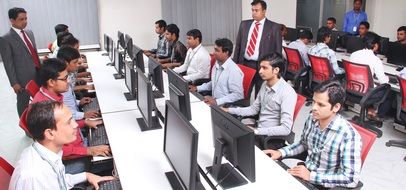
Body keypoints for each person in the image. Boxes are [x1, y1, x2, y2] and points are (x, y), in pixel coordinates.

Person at [264, 80, 362, 189]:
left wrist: (311, 176)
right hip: (305, 173)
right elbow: (303, 144)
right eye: (314, 102)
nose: (314, 108)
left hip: (324, 185)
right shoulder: (312, 118)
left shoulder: (348, 135)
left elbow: (351, 179)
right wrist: (280, 152)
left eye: (320, 104)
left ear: (336, 107)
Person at [9, 101, 114, 190]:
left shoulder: (46, 152)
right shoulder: (34, 177)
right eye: (69, 122)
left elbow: (59, 180)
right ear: (50, 133)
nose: (76, 125)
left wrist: (87, 175)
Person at [32, 59, 110, 161]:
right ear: (51, 82)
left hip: (80, 143)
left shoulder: (53, 96)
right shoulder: (46, 108)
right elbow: (57, 151)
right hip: (74, 158)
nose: (68, 81)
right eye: (64, 79)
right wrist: (89, 150)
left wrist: (85, 122)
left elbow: (64, 124)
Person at [222, 53, 296, 149]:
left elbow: (286, 129)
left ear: (276, 70)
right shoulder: (265, 84)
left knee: (235, 147)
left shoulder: (287, 92)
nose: (260, 71)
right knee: (227, 137)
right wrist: (229, 110)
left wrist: (257, 131)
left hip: (271, 140)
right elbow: (253, 109)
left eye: (265, 68)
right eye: (260, 67)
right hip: (260, 132)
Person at [233, 0, 282, 97]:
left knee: (260, 94)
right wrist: (235, 64)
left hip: (263, 65)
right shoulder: (244, 24)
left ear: (264, 11)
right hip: (245, 64)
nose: (253, 13)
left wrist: (275, 71)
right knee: (243, 92)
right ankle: (242, 110)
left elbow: (278, 51)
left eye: (256, 10)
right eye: (252, 10)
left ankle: (258, 112)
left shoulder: (274, 27)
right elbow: (238, 45)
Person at [0, 7, 40, 117]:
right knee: (23, 104)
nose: (24, 22)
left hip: (38, 73)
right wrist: (14, 83)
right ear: (12, 20)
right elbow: (8, 63)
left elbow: (34, 53)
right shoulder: (5, 39)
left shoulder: (29, 33)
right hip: (22, 78)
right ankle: (26, 127)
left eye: (26, 18)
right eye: (21, 19)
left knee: (39, 100)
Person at [189, 38, 243, 106]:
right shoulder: (217, 64)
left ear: (226, 52)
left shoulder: (233, 70)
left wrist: (217, 101)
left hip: (224, 107)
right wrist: (197, 88)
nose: (214, 53)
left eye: (217, 50)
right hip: (214, 102)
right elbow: (214, 83)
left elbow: (238, 95)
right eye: (214, 49)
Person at [350, 32, 389, 119]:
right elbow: (383, 81)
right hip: (366, 93)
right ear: (375, 45)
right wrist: (388, 79)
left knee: (372, 86)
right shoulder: (375, 60)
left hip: (353, 89)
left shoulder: (354, 54)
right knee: (388, 89)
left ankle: (370, 110)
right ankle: (377, 115)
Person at [57, 46, 99, 122]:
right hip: (73, 121)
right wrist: (84, 115)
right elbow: (69, 115)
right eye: (75, 62)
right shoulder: (61, 85)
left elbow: (68, 103)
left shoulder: (65, 78)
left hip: (76, 113)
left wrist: (79, 102)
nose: (78, 64)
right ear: (66, 63)